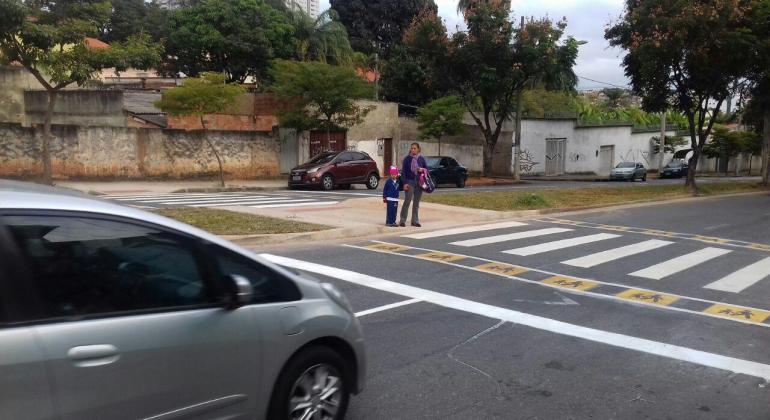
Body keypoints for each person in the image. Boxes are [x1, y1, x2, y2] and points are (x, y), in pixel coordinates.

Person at [400, 142, 428, 227]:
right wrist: (404, 183)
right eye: (411, 148)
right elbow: (403, 172)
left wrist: (422, 169)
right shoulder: (407, 159)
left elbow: (427, 170)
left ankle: (415, 220)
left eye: (414, 148)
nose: (412, 150)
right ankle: (402, 220)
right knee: (407, 201)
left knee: (416, 203)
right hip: (409, 182)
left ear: (418, 149)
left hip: (419, 183)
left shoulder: (421, 159)